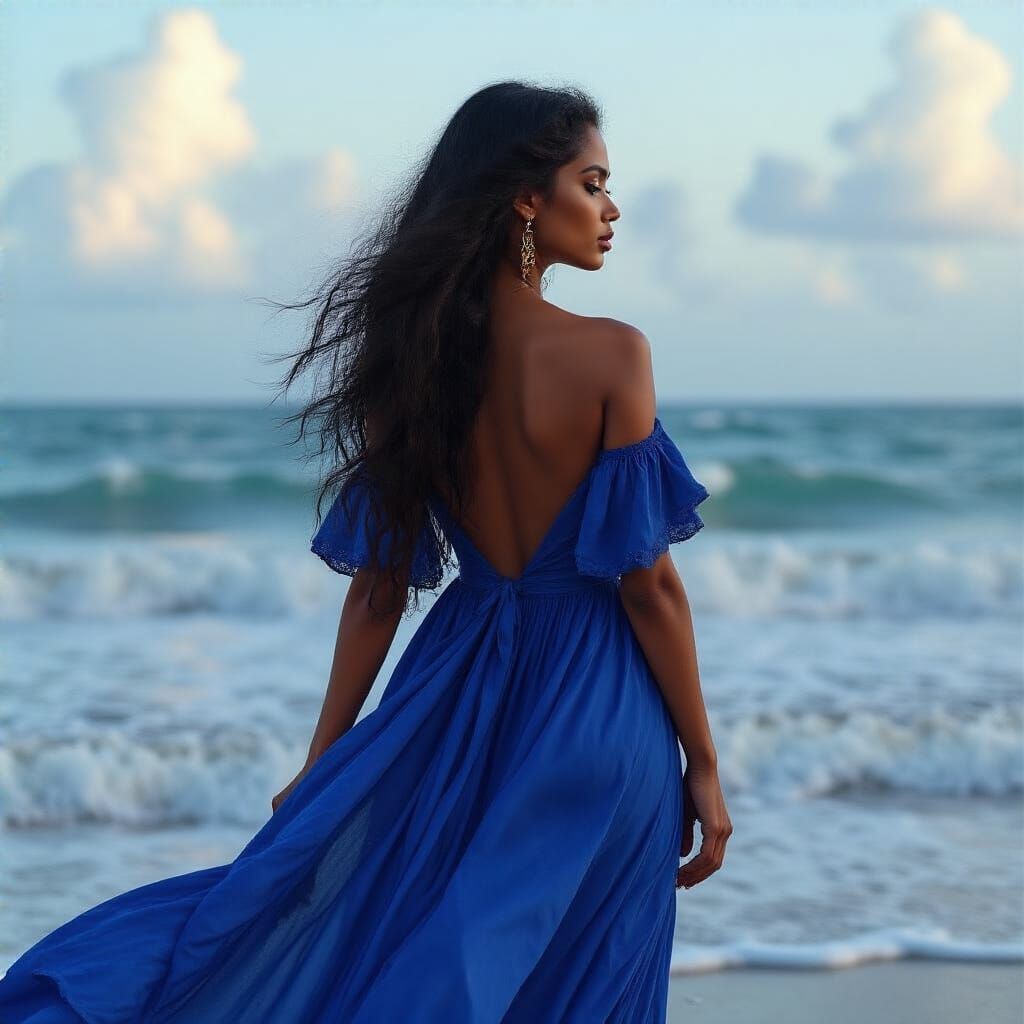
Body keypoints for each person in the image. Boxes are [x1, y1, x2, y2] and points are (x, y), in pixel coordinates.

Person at [0, 79, 731, 1023]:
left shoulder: (411, 366)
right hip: (596, 708)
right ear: (525, 197)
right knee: (584, 987)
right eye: (592, 183)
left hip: (455, 699)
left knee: (412, 949)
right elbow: (649, 587)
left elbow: (380, 590)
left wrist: (326, 759)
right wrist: (703, 764)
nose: (610, 208)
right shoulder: (614, 356)